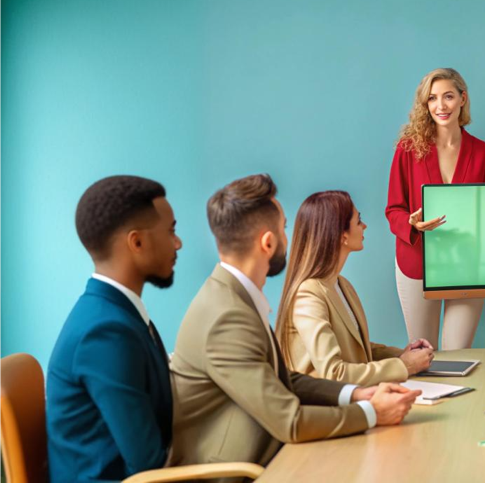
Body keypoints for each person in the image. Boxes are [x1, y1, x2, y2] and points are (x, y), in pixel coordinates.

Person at [169, 174, 419, 473]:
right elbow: (290, 421)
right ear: (269, 242)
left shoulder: (231, 297)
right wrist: (372, 412)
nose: (290, 238)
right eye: (285, 228)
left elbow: (283, 379)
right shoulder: (227, 315)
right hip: (243, 470)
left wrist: (356, 394)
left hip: (272, 454)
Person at [46, 176, 181, 482]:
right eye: (171, 231)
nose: (178, 243)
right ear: (137, 242)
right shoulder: (105, 331)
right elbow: (148, 466)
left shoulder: (116, 313)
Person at [275, 190, 434, 386]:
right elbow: (334, 373)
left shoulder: (342, 285)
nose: (364, 226)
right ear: (342, 235)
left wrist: (404, 354)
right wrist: (404, 366)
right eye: (359, 221)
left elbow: (358, 351)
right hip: (327, 410)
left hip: (353, 398)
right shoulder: (308, 295)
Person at [386, 68, 485, 350]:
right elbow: (393, 209)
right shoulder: (408, 149)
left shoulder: (483, 152)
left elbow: (484, 211)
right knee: (422, 354)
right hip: (416, 260)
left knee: (457, 354)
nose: (440, 106)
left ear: (462, 98)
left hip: (465, 263)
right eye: (432, 99)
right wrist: (411, 225)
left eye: (448, 96)